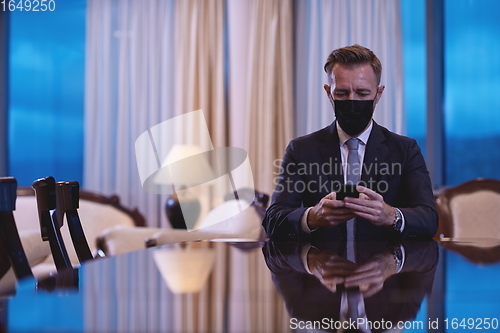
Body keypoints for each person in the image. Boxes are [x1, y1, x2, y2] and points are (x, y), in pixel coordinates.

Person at [263, 45, 437, 241]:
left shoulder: (405, 150)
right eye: (342, 94)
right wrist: (312, 217)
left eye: (362, 94)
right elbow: (273, 219)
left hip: (386, 266)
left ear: (378, 94)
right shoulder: (302, 150)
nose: (352, 101)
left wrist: (390, 216)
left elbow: (428, 219)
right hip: (321, 265)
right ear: (329, 93)